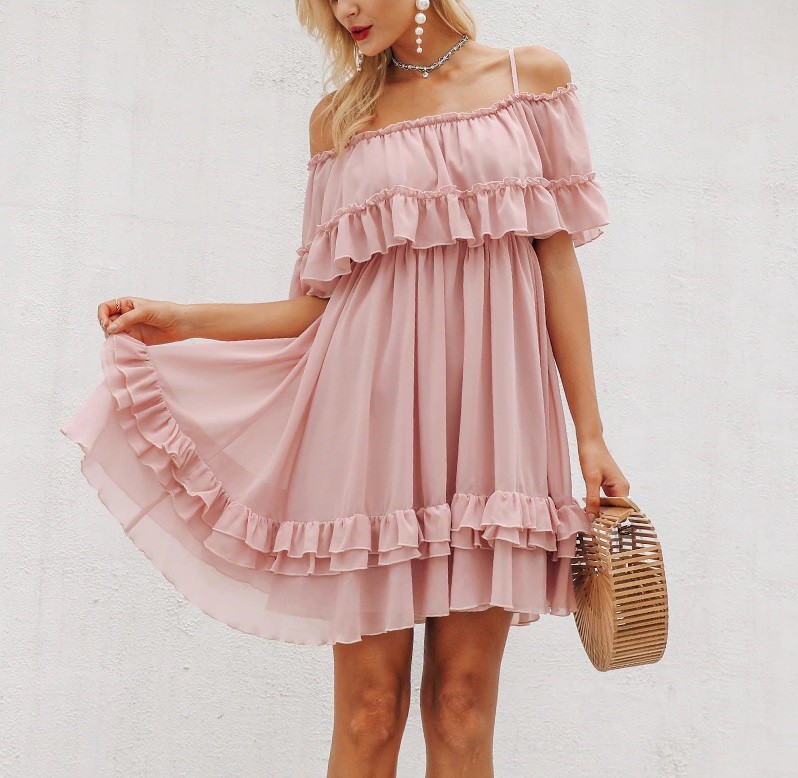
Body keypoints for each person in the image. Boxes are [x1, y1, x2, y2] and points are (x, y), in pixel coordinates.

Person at [61, 0, 631, 774]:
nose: (345, 9)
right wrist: (183, 319)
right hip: (371, 433)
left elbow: (557, 264)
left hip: (496, 428)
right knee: (369, 712)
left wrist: (590, 433)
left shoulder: (527, 78)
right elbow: (318, 306)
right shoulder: (339, 122)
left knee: (462, 707)